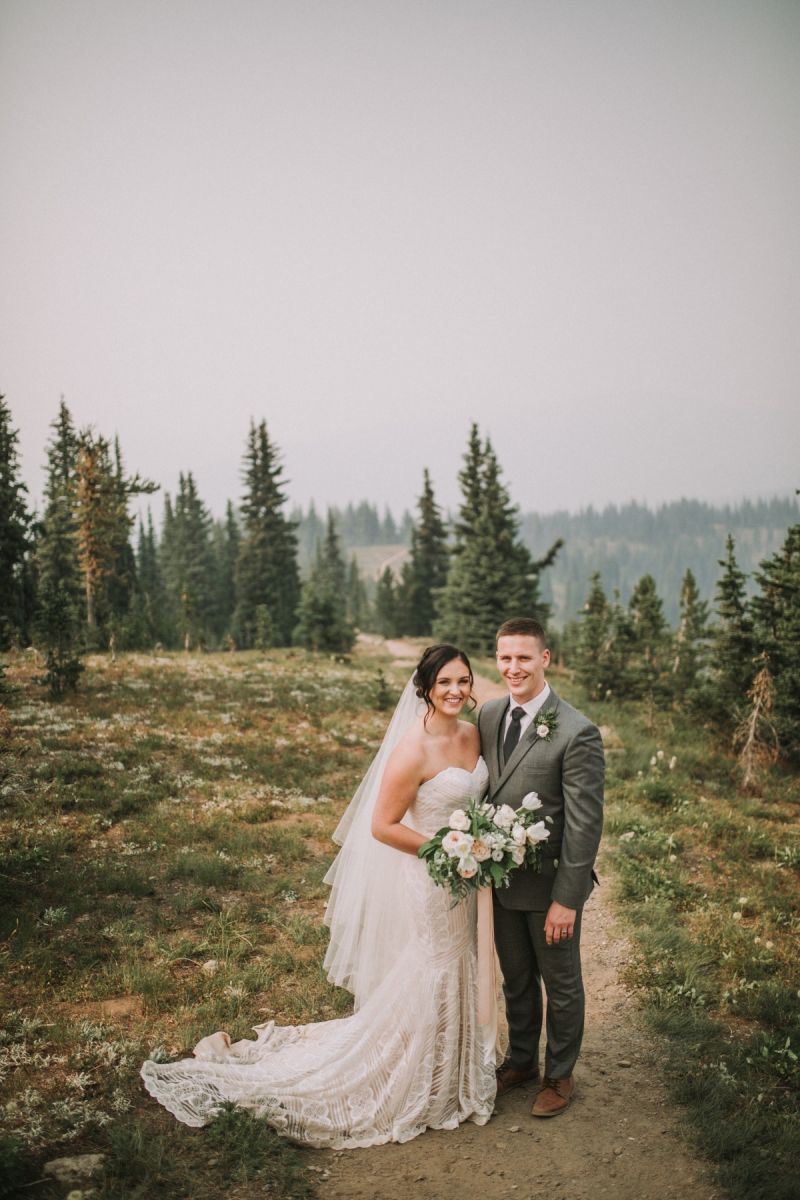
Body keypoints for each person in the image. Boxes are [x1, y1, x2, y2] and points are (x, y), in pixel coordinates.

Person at [140, 644, 496, 1146]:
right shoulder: (412, 750)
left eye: (463, 680)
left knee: (461, 960)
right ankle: (420, 1068)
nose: (456, 690)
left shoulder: (472, 733)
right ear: (425, 689)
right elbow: (382, 825)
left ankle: (454, 1059)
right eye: (445, 683)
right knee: (436, 965)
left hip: (468, 878)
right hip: (433, 878)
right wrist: (446, 850)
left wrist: (481, 845)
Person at [477, 617, 604, 1118]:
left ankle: (559, 1075)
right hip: (501, 882)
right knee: (516, 978)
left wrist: (567, 899)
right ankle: (522, 1061)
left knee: (561, 983)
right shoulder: (489, 715)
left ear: (545, 659)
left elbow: (584, 826)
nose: (514, 668)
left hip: (550, 887)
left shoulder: (577, 731)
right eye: (505, 657)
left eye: (524, 657)